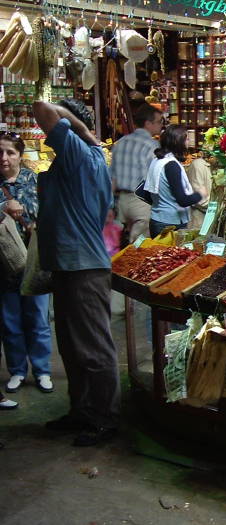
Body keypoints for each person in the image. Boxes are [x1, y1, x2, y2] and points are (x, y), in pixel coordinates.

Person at [32, 98, 120, 447]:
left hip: (84, 268)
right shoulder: (83, 157)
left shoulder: (80, 153)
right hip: (69, 266)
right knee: (72, 347)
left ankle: (105, 418)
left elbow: (41, 107)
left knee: (94, 348)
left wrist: (81, 128)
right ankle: (82, 411)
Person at [0, 133, 53, 395]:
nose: (4, 158)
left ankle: (42, 370)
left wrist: (33, 221)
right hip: (3, 265)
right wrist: (3, 209)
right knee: (10, 322)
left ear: (20, 154)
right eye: (0, 152)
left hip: (33, 261)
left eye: (10, 152)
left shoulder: (36, 181)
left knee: (38, 319)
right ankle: (17, 370)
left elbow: (49, 213)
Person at [110, 104, 162, 242]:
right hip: (141, 201)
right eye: (159, 122)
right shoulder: (151, 145)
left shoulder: (120, 143)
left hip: (122, 201)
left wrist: (110, 205)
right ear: (148, 123)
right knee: (139, 247)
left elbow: (112, 178)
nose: (161, 125)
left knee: (126, 244)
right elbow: (154, 178)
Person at [144, 125, 207, 237]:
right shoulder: (171, 165)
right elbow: (182, 200)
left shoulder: (157, 160)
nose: (189, 141)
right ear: (178, 142)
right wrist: (200, 194)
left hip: (156, 219)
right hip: (170, 224)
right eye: (186, 139)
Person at [185, 156, 212, 230]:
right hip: (200, 220)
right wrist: (219, 208)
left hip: (215, 219)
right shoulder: (198, 165)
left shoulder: (224, 165)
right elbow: (200, 200)